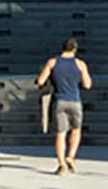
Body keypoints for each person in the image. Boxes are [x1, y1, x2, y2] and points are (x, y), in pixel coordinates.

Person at [34, 38, 91, 175]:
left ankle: (61, 165)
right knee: (76, 130)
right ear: (74, 49)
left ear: (62, 48)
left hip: (59, 101)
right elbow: (87, 84)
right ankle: (71, 156)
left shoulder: (52, 62)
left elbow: (40, 81)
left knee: (61, 134)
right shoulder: (80, 64)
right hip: (75, 101)